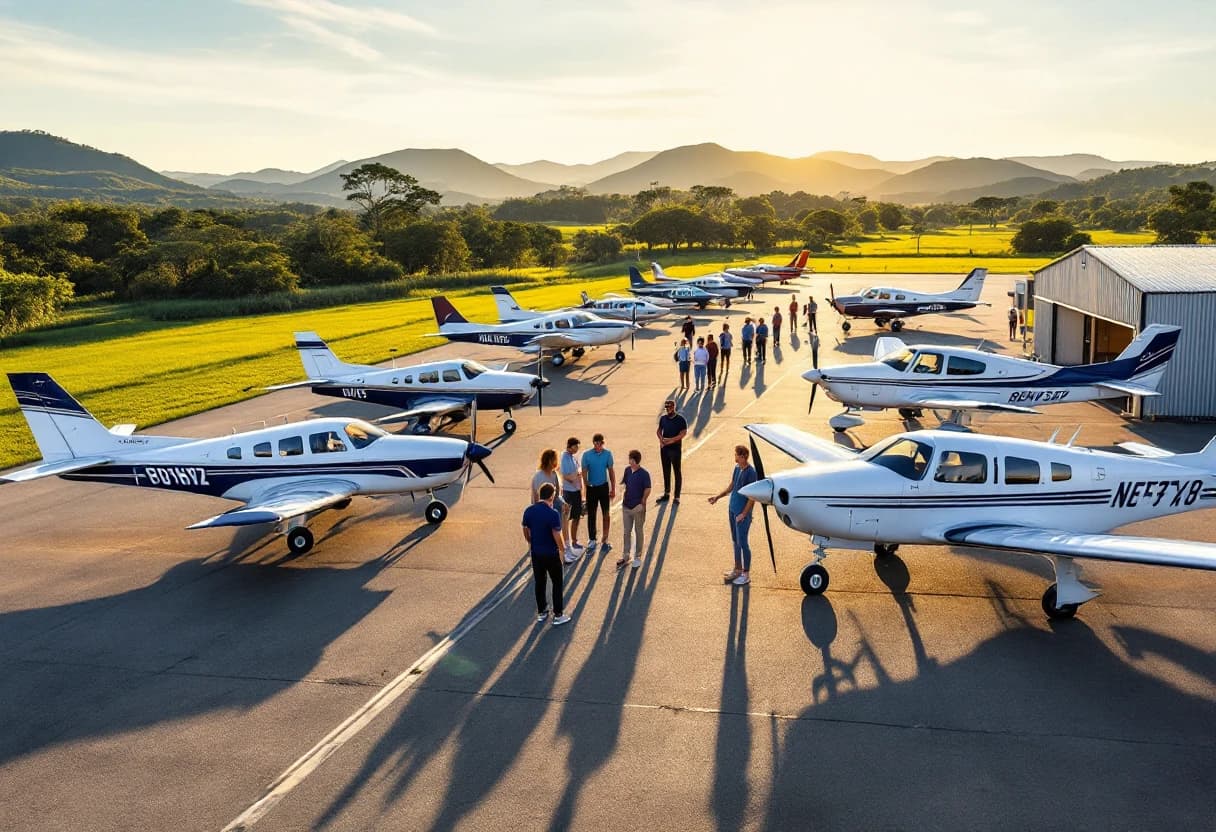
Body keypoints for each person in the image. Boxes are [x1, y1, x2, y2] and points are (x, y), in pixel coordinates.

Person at [707, 445, 758, 586]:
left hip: (742, 514)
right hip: (732, 510)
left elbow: (752, 497)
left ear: (742, 457)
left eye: (736, 455)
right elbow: (732, 486)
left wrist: (744, 514)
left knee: (743, 543)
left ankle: (746, 574)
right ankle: (737, 569)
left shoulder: (751, 473)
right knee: (735, 541)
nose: (734, 457)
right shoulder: (737, 468)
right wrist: (718, 496)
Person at [522, 482, 570, 625]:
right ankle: (558, 614)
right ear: (551, 496)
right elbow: (557, 535)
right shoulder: (553, 514)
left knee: (540, 582)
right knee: (557, 582)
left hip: (536, 553)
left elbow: (525, 529)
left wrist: (531, 541)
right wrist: (562, 550)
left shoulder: (529, 511)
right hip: (551, 554)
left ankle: (542, 611)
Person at [531, 448, 571, 556]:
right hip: (546, 511)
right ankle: (562, 552)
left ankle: (563, 550)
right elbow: (536, 497)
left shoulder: (553, 475)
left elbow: (557, 494)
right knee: (551, 534)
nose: (557, 462)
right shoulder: (540, 476)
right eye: (555, 459)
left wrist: (563, 502)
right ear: (550, 461)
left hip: (549, 509)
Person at [581, 433, 616, 555]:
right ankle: (592, 539)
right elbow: (584, 472)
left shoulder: (608, 454)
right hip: (592, 489)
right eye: (595, 443)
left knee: (606, 514)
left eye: (600, 443)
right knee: (591, 514)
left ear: (603, 443)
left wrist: (613, 488)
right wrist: (586, 486)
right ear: (593, 443)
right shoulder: (586, 455)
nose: (598, 446)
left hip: (604, 487)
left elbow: (611, 471)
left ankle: (605, 538)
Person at [618, 450, 651, 569]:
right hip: (626, 506)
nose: (629, 461)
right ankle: (626, 555)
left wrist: (643, 501)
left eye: (631, 459)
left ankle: (637, 556)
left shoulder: (644, 474)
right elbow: (625, 484)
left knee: (638, 531)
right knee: (626, 532)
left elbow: (648, 488)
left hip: (638, 507)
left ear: (635, 461)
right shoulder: (627, 470)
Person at [655, 399, 687, 505]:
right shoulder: (663, 419)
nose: (667, 409)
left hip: (675, 449)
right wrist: (661, 439)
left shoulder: (680, 419)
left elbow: (683, 433)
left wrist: (670, 440)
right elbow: (659, 430)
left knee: (677, 472)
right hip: (664, 448)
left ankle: (677, 497)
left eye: (669, 407)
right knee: (666, 470)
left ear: (674, 407)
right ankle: (666, 493)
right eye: (666, 407)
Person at [559, 437, 585, 563]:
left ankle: (574, 541)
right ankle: (567, 544)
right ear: (570, 446)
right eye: (576, 447)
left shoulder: (573, 457)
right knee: (566, 519)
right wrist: (578, 474)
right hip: (569, 493)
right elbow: (567, 476)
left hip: (576, 492)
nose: (577, 449)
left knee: (576, 517)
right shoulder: (564, 457)